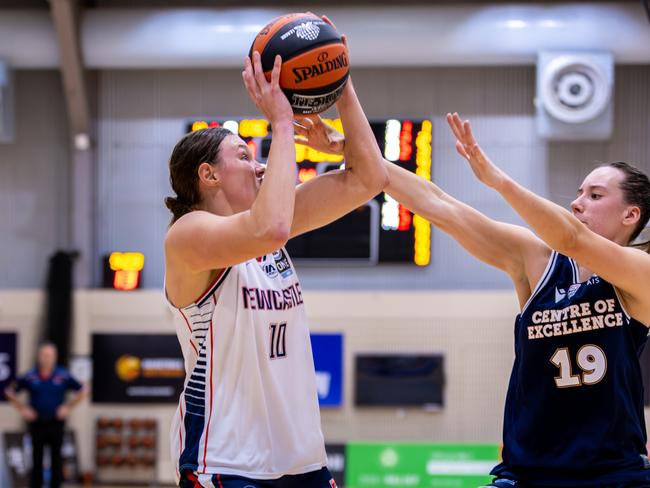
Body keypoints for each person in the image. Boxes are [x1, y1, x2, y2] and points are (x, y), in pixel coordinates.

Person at [300, 112, 650, 487]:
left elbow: (573, 239)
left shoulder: (639, 273)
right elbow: (440, 206)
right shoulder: (538, 262)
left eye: (595, 195)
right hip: (527, 474)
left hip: (611, 475)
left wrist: (499, 182)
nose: (578, 203)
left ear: (631, 214)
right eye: (579, 193)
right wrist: (349, 147)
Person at [163, 28, 387, 488]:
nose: (261, 165)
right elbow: (270, 228)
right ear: (207, 175)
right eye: (245, 156)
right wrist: (282, 123)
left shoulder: (267, 226)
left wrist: (339, 83)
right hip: (228, 460)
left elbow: (369, 178)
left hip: (302, 458)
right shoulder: (188, 236)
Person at [4, 342, 88, 488]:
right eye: (43, 355)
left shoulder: (63, 375)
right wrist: (23, 409)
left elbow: (84, 390)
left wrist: (68, 407)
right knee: (37, 460)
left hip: (56, 423)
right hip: (37, 423)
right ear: (39, 357)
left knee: (56, 460)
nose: (46, 358)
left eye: (49, 355)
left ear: (54, 357)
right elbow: (9, 392)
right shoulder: (30, 376)